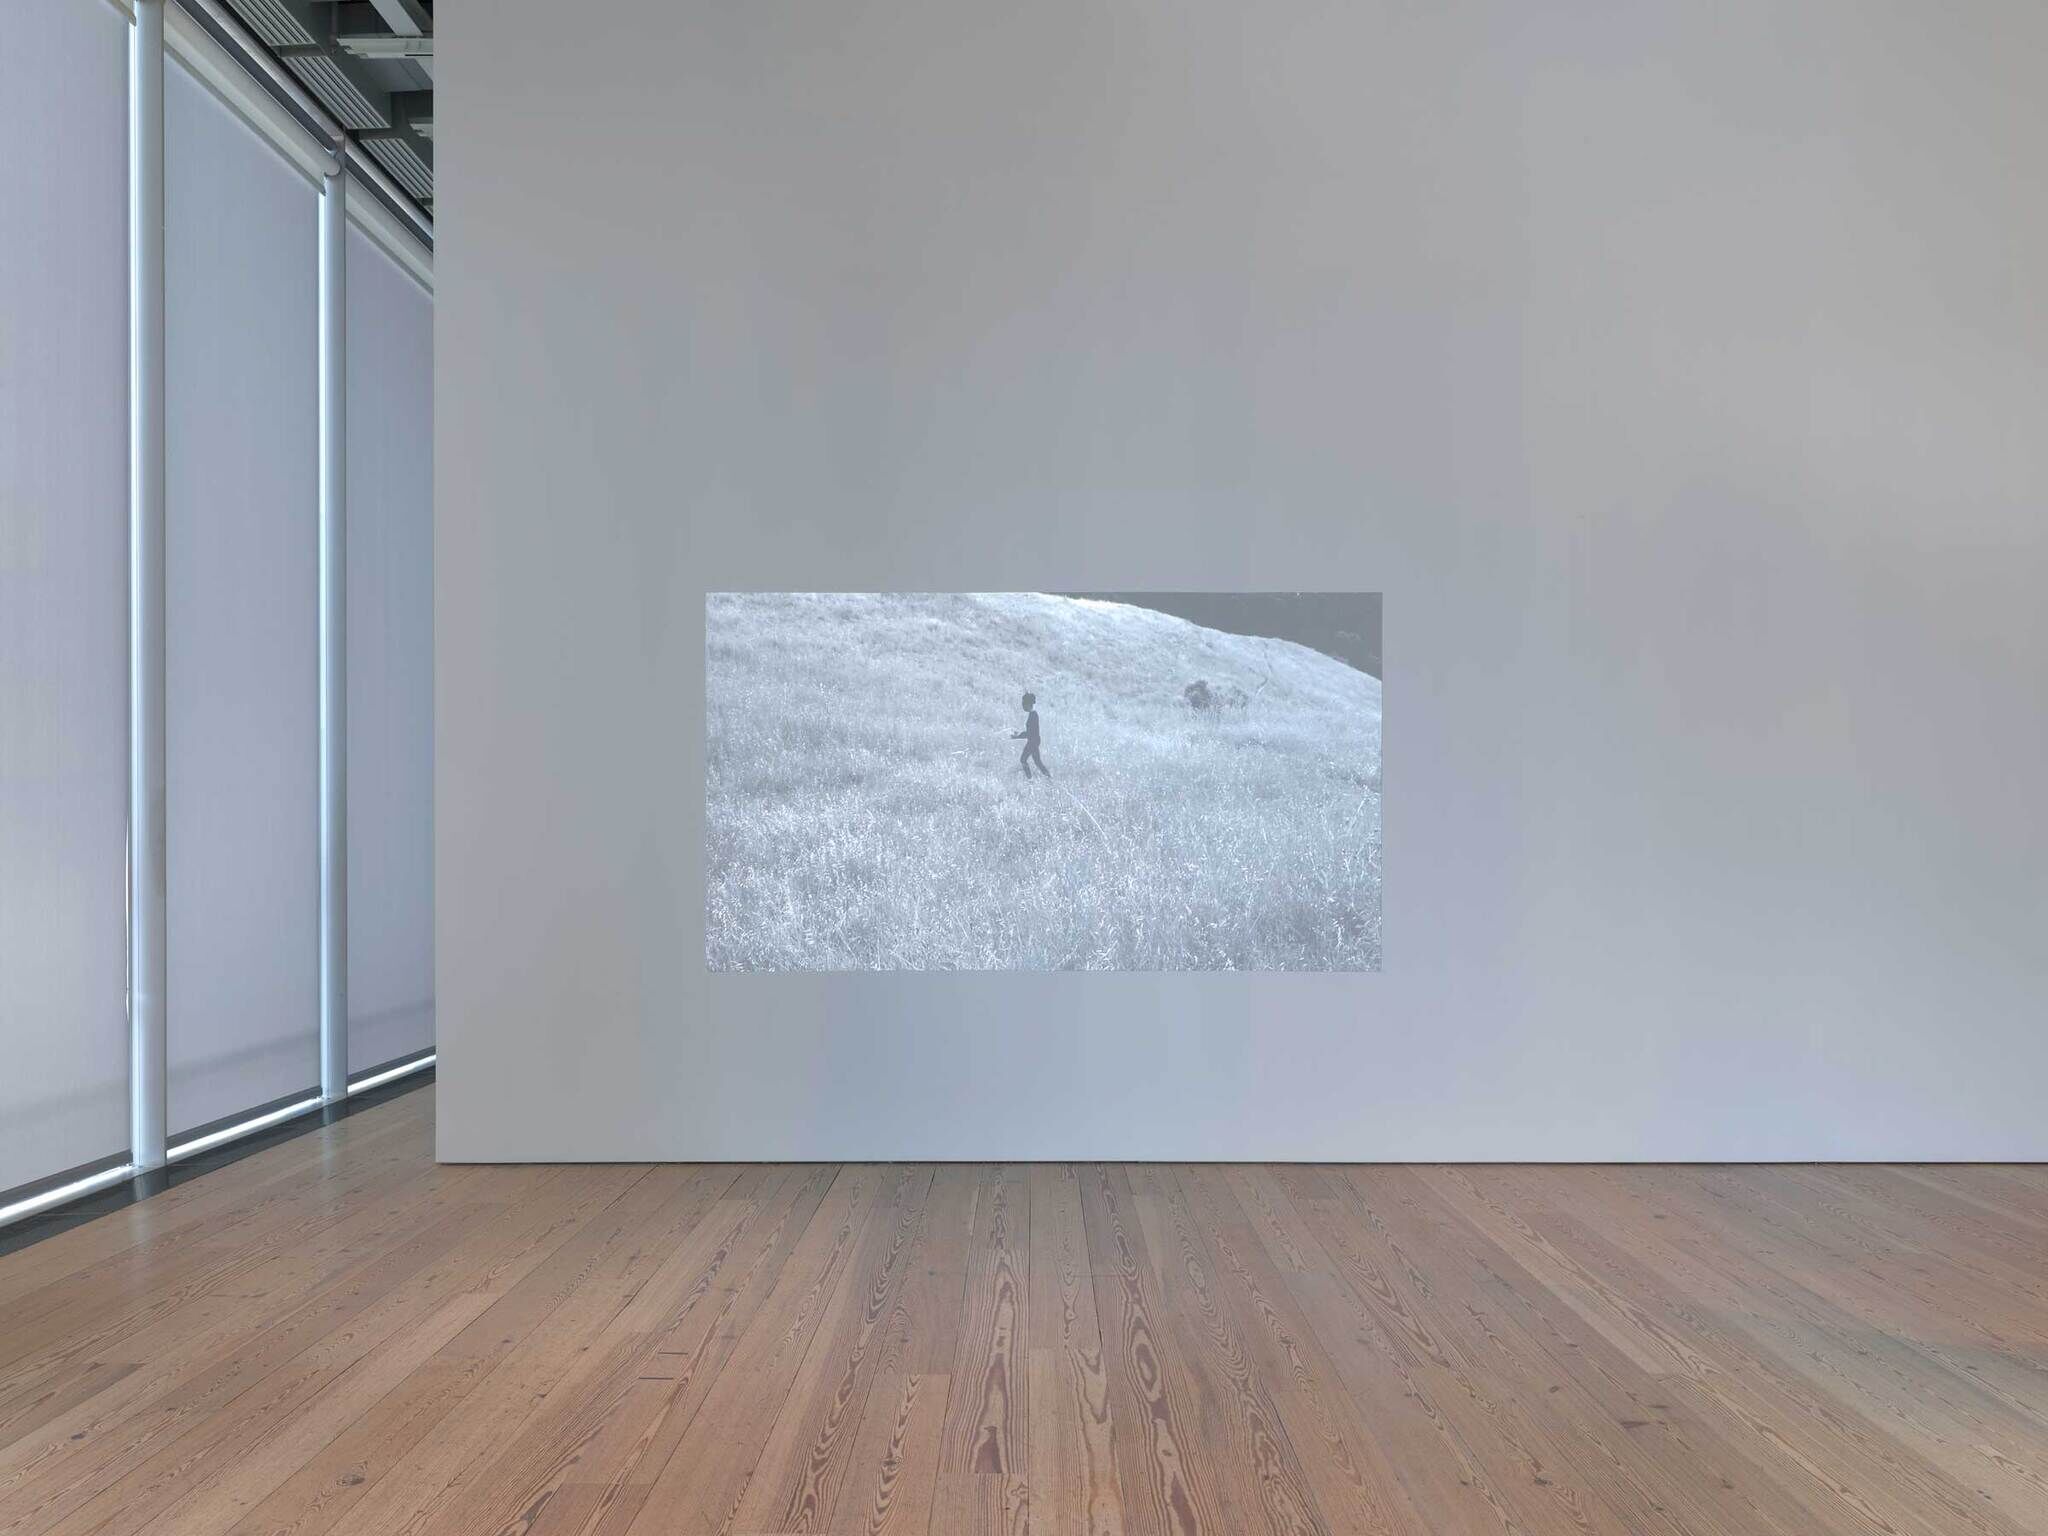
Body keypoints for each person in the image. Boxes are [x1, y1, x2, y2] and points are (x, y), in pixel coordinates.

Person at [1012, 691, 1049, 778]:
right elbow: (1030, 732)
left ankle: (1030, 779)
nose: (1022, 706)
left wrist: (1017, 736)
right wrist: (1019, 734)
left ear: (1028, 704)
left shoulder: (1033, 715)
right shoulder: (1033, 714)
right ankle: (1048, 778)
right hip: (1034, 741)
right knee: (1037, 762)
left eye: (1023, 704)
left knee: (1023, 760)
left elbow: (1030, 733)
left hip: (1033, 741)